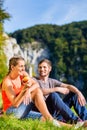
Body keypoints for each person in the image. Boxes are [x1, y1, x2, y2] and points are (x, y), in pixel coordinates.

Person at [1, 56, 74, 128]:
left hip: (21, 108)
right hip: (11, 112)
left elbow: (36, 84)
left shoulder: (23, 75)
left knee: (43, 117)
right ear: (12, 67)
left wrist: (28, 91)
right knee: (37, 91)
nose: (23, 69)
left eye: (24, 66)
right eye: (21, 66)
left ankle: (73, 127)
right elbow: (15, 104)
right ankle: (50, 118)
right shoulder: (8, 82)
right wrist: (24, 90)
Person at [33, 58, 87, 124]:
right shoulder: (34, 80)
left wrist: (78, 92)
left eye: (44, 67)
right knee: (53, 95)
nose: (42, 69)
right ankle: (76, 121)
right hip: (45, 112)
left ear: (50, 69)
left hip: (57, 112)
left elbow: (68, 86)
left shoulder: (52, 81)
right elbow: (37, 92)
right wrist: (56, 89)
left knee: (74, 94)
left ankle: (85, 119)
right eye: (40, 67)